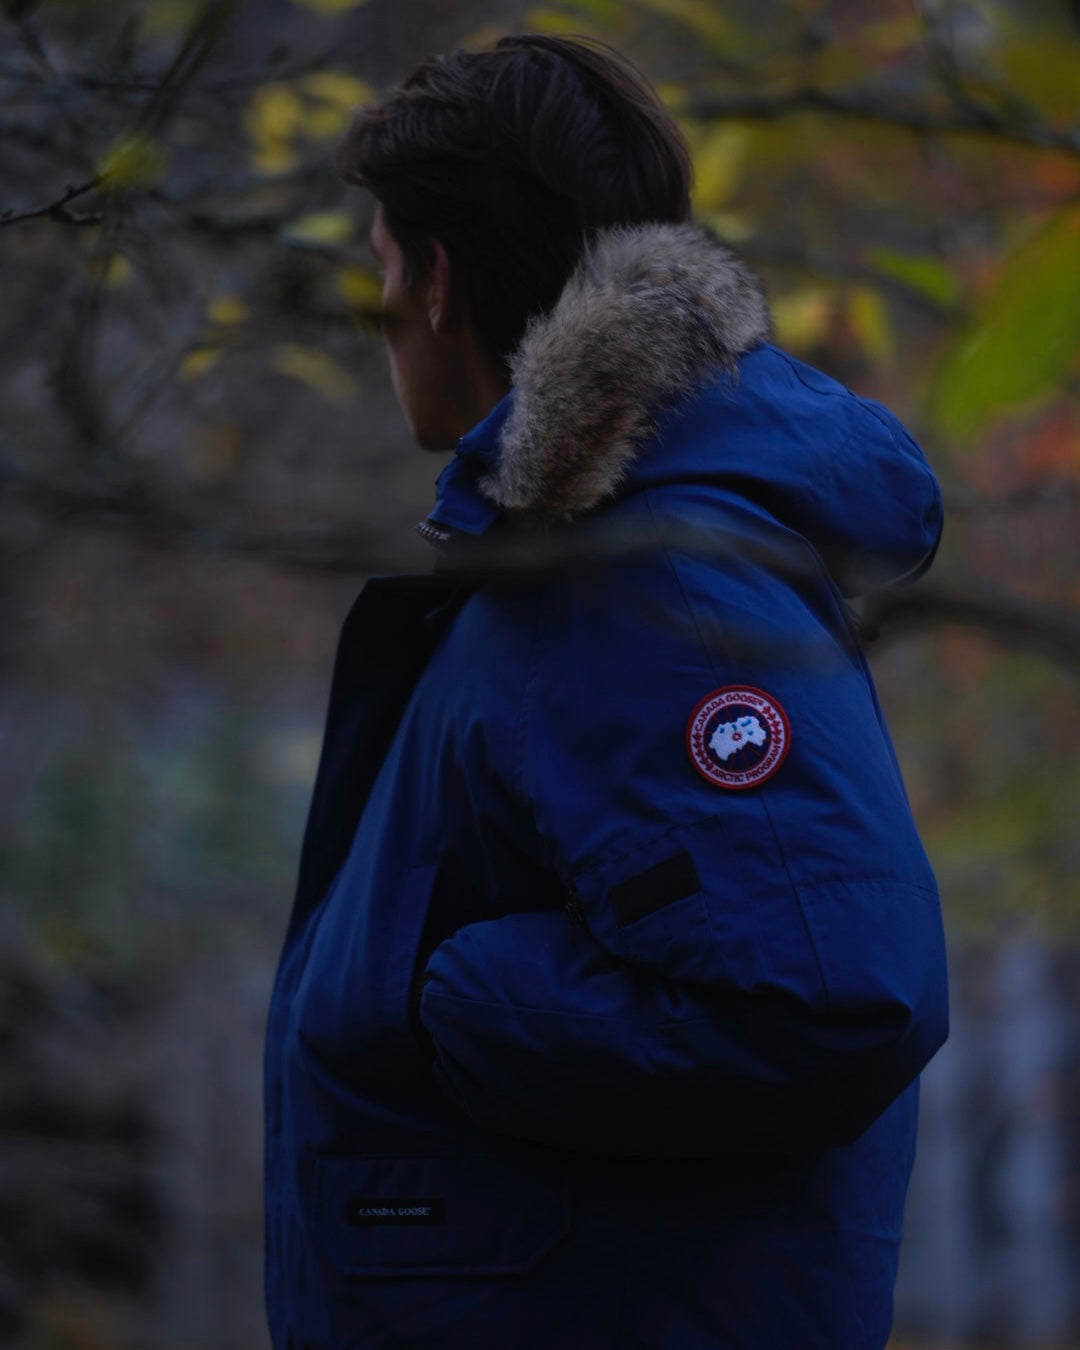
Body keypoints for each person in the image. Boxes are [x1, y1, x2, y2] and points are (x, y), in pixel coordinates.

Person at [263, 33, 949, 1350]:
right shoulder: (572, 564)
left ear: (442, 282)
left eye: (382, 270)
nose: (380, 313)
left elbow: (835, 989)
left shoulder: (656, 589)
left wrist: (464, 998)